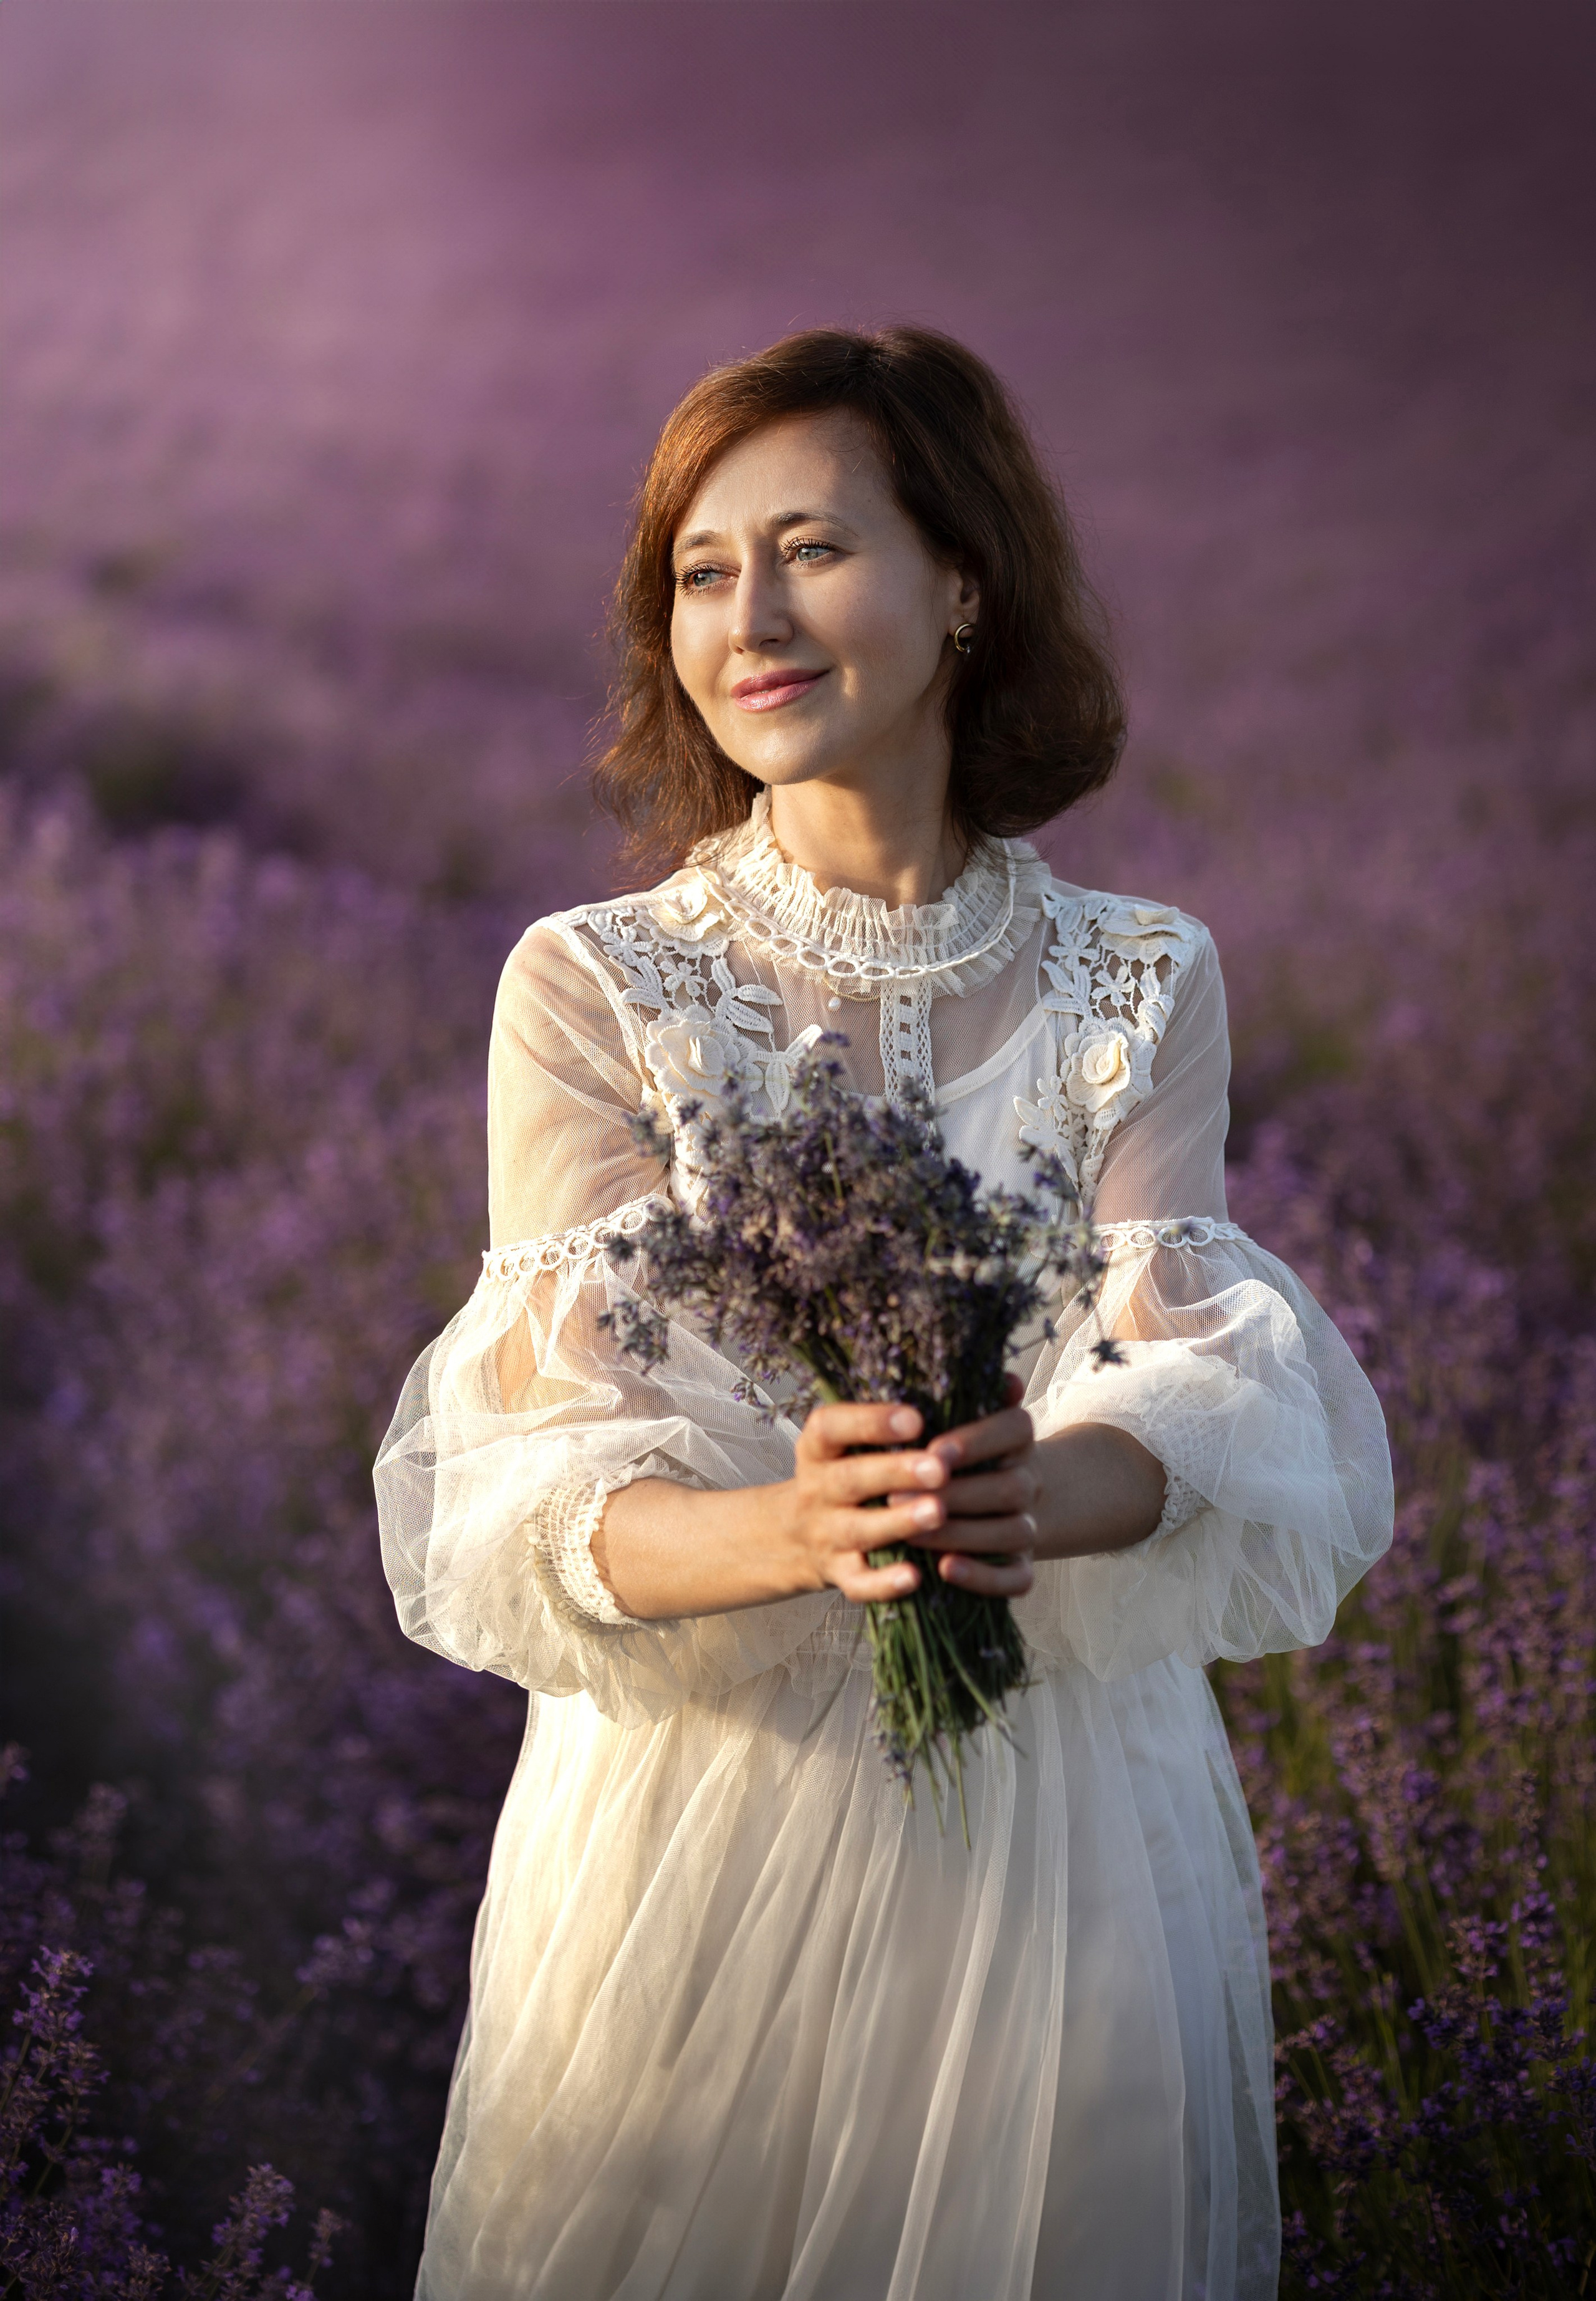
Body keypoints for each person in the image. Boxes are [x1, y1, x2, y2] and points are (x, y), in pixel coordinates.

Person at [376, 325, 1393, 2300]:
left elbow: (1186, 1375)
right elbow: (536, 1495)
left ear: (964, 584)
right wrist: (798, 1525)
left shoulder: (1140, 976)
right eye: (701, 570)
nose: (749, 618)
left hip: (1062, 1830)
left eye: (815, 550)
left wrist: (1028, 1490)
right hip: (705, 1829)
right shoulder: (595, 985)